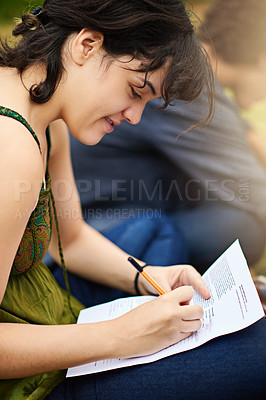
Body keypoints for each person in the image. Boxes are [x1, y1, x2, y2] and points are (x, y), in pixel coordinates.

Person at [0, 2, 265, 400]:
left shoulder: (46, 114)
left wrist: (150, 275)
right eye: (136, 91)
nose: (136, 117)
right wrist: (120, 336)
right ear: (87, 45)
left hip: (56, 323)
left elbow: (69, 239)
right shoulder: (11, 146)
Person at [65, 0, 266, 273]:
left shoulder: (177, 71)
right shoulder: (182, 86)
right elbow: (255, 192)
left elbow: (239, 136)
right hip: (95, 224)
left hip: (106, 208)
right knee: (245, 228)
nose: (134, 114)